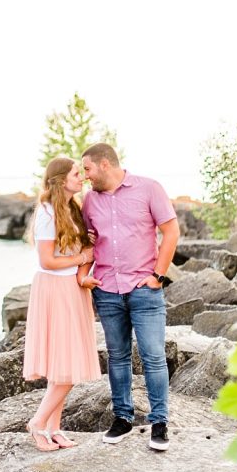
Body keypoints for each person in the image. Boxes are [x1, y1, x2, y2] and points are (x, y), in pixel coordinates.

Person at [80, 142, 180, 451]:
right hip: (107, 289)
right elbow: (87, 240)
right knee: (117, 357)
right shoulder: (89, 201)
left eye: (87, 169)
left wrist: (158, 276)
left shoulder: (149, 189)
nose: (85, 176)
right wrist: (83, 273)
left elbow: (171, 231)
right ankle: (122, 418)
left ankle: (159, 422)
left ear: (105, 164)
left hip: (143, 289)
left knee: (152, 356)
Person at [22, 156, 103, 451]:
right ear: (60, 180)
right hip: (54, 288)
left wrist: (86, 242)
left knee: (63, 365)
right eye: (75, 174)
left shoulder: (71, 208)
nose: (81, 178)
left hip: (72, 288)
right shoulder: (46, 211)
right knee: (68, 365)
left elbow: (72, 247)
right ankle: (38, 423)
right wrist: (83, 257)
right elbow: (47, 260)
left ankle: (54, 427)